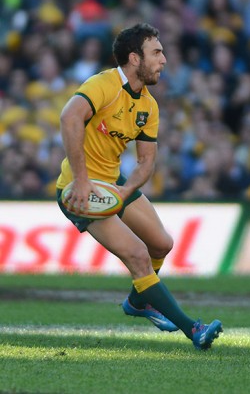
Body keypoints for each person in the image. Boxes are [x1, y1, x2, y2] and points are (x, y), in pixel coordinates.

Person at [55, 23, 222, 350]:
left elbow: (146, 162)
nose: (164, 59)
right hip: (78, 189)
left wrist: (124, 191)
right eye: (156, 52)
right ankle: (194, 330)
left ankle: (138, 302)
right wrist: (81, 179)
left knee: (162, 244)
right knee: (139, 256)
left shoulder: (149, 105)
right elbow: (68, 118)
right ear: (134, 58)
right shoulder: (104, 84)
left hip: (112, 184)